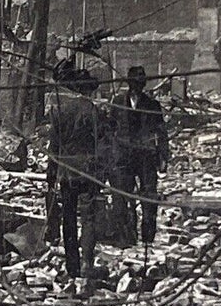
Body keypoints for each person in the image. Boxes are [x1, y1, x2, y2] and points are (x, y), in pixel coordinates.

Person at [49, 63, 104, 285]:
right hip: (88, 172)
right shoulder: (92, 110)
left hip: (66, 172)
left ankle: (72, 267)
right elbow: (101, 143)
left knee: (68, 218)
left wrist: (51, 174)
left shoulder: (59, 110)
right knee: (88, 217)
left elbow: (54, 146)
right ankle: (87, 263)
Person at [112, 64, 170, 247]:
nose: (137, 86)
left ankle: (147, 239)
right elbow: (109, 129)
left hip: (146, 157)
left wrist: (163, 157)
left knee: (149, 198)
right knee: (120, 198)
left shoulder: (152, 105)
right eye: (134, 83)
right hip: (123, 157)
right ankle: (126, 238)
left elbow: (161, 133)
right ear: (129, 84)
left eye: (140, 83)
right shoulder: (117, 102)